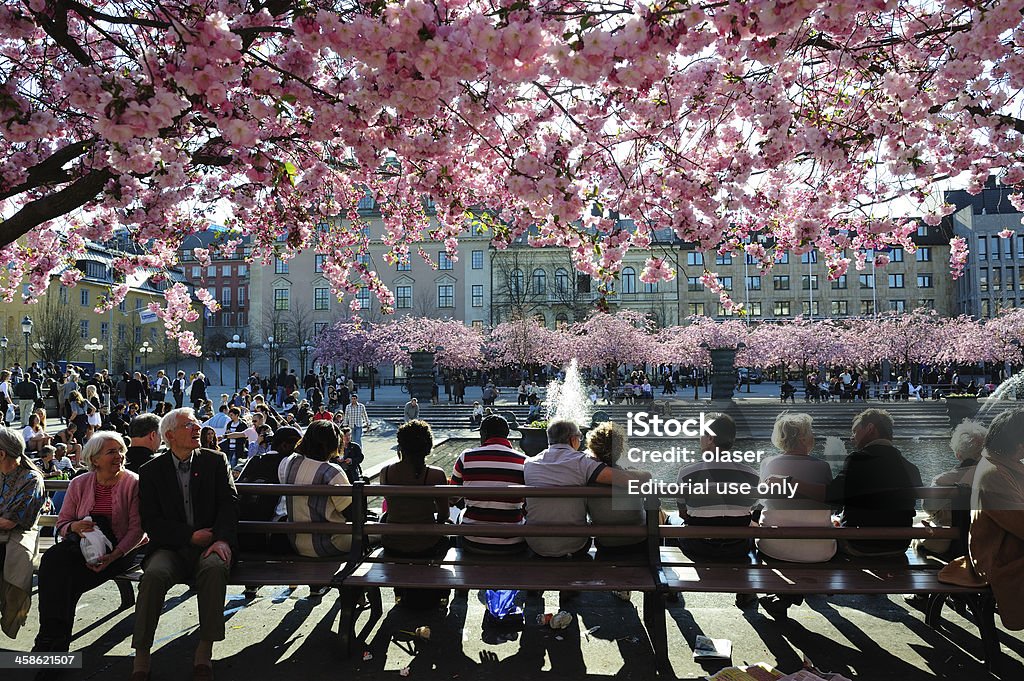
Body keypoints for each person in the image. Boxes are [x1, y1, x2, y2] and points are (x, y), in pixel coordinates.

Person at [131, 408, 238, 681]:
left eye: (197, 424)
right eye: (189, 425)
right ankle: (142, 652)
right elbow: (151, 520)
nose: (197, 429)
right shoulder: (151, 470)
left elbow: (229, 503)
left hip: (210, 544)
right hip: (170, 547)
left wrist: (223, 540)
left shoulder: (215, 461)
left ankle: (205, 650)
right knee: (153, 575)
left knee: (215, 568)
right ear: (170, 435)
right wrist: (187, 536)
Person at [33, 431, 145, 653]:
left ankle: (49, 644)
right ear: (94, 459)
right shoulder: (79, 483)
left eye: (121, 451)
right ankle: (52, 645)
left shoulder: (133, 483)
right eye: (111, 452)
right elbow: (63, 523)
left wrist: (113, 555)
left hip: (122, 550)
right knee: (53, 560)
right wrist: (74, 527)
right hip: (83, 548)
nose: (119, 456)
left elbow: (137, 531)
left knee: (67, 584)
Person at [524, 419, 650, 559]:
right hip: (574, 543)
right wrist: (643, 474)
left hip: (536, 542)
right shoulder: (582, 462)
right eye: (579, 437)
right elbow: (625, 480)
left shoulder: (529, 463)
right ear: (573, 439)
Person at [755, 413, 836, 618]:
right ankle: (795, 593)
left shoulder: (769, 464)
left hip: (774, 547)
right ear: (801, 437)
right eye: (811, 433)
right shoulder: (822, 466)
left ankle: (785, 595)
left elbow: (763, 501)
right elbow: (830, 504)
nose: (814, 436)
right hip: (820, 550)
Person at [675, 413, 760, 561]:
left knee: (671, 521)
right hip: (737, 547)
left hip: (698, 547)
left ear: (710, 439)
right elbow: (754, 511)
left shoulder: (687, 473)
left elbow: (683, 514)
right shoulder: (752, 474)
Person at [967, 408, 1024, 630]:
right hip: (1001, 561)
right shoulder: (995, 473)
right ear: (1018, 444)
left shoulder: (1001, 465)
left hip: (1010, 552)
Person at [450, 415, 527, 554]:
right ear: (507, 435)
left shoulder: (466, 457)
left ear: (483, 434)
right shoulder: (523, 461)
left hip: (473, 541)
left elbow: (453, 498)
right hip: (513, 542)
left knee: (460, 514)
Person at [277, 421, 353, 559]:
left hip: (296, 542)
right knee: (376, 533)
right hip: (329, 543)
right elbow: (352, 512)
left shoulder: (291, 462)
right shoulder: (331, 472)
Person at [0, 426, 45, 638]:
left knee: (14, 561)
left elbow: (9, 522)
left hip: (19, 535)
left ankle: (9, 616)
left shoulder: (31, 479)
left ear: (2, 454)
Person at [379, 420, 449, 557]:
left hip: (392, 544)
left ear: (401, 446)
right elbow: (444, 515)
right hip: (427, 545)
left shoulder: (385, 472)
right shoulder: (436, 474)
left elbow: (391, 503)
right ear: (428, 446)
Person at [916, 419, 986, 555]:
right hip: (986, 542)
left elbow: (928, 507)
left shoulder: (942, 480)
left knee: (922, 526)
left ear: (958, 455)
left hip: (951, 544)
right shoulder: (997, 477)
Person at [584, 421, 648, 559]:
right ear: (620, 449)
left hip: (607, 545)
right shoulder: (633, 474)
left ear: (593, 447)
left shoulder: (586, 479)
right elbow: (647, 476)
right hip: (638, 543)